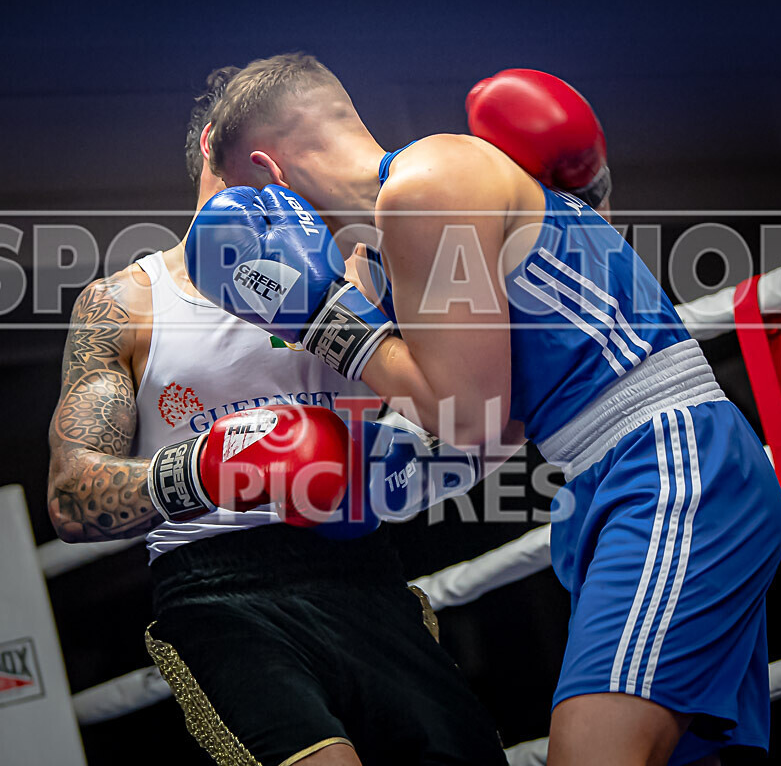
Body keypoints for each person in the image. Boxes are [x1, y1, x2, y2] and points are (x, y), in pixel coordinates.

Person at [193, 54, 781, 766]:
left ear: (272, 172)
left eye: (253, 206)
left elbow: (468, 416)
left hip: (672, 469)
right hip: (618, 479)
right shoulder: (387, 256)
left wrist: (324, 316)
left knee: (592, 753)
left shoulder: (426, 186)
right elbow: (495, 432)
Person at [46, 66, 508, 766]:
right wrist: (210, 466)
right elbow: (72, 498)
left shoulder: (366, 274)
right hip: (220, 592)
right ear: (214, 145)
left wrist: (410, 463)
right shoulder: (127, 303)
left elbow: (479, 416)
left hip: (363, 571)